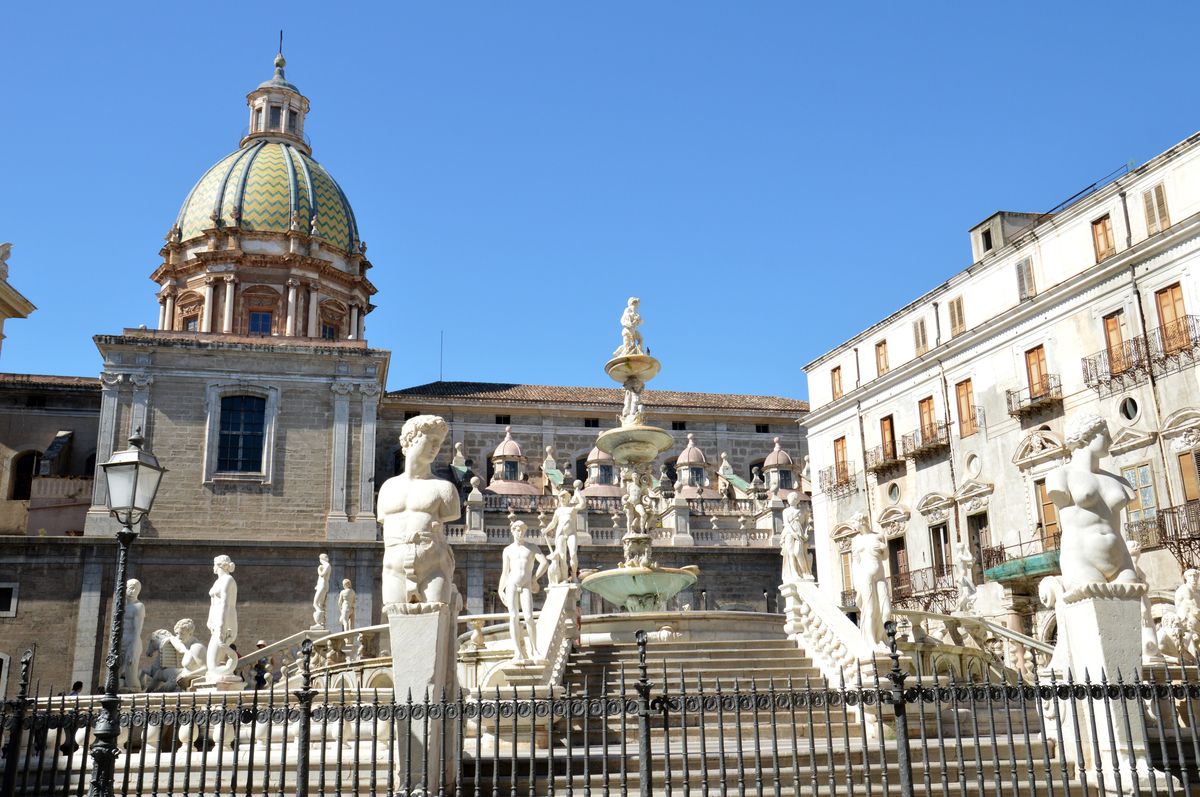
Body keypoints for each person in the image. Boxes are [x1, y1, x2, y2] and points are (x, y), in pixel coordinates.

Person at [377, 415, 461, 608]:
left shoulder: (445, 489)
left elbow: (452, 512)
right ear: (410, 439)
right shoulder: (388, 488)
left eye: (438, 443)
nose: (435, 447)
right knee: (396, 617)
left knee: (435, 617)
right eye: (430, 440)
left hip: (434, 566)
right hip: (393, 567)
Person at [1047, 414, 1137, 590]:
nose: (1110, 440)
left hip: (1121, 559)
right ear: (1085, 436)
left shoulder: (1120, 481)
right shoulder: (1060, 476)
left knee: (1136, 608)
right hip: (1081, 558)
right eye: (1104, 434)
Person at [499, 520, 548, 662]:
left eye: (522, 530)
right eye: (517, 530)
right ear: (512, 531)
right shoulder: (507, 550)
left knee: (528, 617)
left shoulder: (532, 548)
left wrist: (534, 578)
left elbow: (544, 563)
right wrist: (501, 589)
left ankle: (534, 650)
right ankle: (517, 652)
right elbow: (505, 572)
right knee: (513, 617)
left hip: (526, 584)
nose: (520, 532)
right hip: (511, 584)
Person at [850, 513, 890, 649]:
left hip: (880, 575)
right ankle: (872, 641)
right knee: (870, 609)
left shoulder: (878, 536)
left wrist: (885, 549)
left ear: (861, 521)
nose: (853, 526)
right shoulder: (855, 541)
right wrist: (857, 584)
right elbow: (855, 563)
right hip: (865, 575)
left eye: (854, 523)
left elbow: (885, 557)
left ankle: (883, 638)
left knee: (886, 610)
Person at [205, 555, 239, 679]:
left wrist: (221, 624)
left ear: (219, 565)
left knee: (212, 665)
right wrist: (209, 620)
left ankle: (231, 661)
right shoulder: (217, 581)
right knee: (211, 665)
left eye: (214, 564)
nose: (213, 567)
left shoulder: (228, 579)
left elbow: (225, 603)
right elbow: (213, 604)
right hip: (216, 620)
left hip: (225, 620)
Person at [780, 492, 811, 582]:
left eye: (793, 498)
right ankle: (794, 573)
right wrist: (792, 532)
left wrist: (806, 533)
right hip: (789, 533)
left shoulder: (802, 511)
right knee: (791, 553)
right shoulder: (785, 511)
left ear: (797, 500)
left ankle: (805, 572)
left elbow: (806, 524)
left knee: (798, 552)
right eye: (789, 498)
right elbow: (786, 523)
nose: (790, 499)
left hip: (799, 533)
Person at [313, 553, 331, 627]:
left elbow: (322, 574)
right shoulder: (326, 566)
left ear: (321, 559)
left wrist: (318, 569)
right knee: (320, 604)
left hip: (322, 586)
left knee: (315, 603)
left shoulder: (326, 565)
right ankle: (321, 622)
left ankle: (318, 621)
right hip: (323, 586)